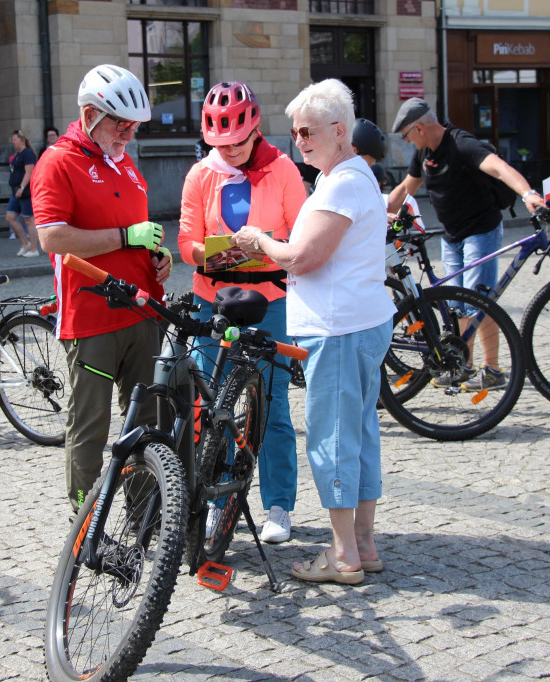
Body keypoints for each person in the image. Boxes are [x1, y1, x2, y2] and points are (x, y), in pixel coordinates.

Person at [231, 79, 394, 585]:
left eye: (307, 131)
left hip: (340, 328)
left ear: (340, 131)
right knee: (360, 433)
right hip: (359, 321)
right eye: (294, 132)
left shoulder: (342, 181)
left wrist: (261, 239)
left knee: (333, 438)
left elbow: (303, 256)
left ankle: (343, 554)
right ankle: (362, 543)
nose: (297, 140)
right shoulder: (349, 176)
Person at [31, 64, 173, 511]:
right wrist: (126, 238)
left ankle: (145, 514)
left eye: (134, 125)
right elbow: (52, 237)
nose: (129, 133)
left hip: (142, 312)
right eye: (120, 122)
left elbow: (135, 230)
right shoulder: (58, 162)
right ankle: (86, 523)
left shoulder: (125, 163)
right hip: (91, 316)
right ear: (90, 114)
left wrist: (155, 257)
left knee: (147, 421)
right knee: (89, 425)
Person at [177, 80, 306, 544]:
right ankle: (216, 500)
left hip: (270, 301)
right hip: (213, 300)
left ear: (254, 131)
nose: (227, 151)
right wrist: (220, 255)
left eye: (236, 142)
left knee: (270, 407)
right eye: (219, 143)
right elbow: (186, 244)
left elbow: (301, 239)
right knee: (211, 406)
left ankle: (278, 505)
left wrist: (265, 247)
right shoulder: (200, 175)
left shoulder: (284, 170)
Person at [386, 97, 546, 391]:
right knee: (457, 304)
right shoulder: (424, 154)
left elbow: (499, 168)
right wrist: (378, 212)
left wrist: (529, 194)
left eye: (407, 135)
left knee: (478, 299)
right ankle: (464, 365)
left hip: (480, 231)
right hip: (452, 235)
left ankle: (494, 371)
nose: (408, 142)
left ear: (420, 128)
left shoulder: (462, 144)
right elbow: (407, 187)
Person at [6, 130, 40, 257]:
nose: (13, 142)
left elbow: (29, 172)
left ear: (22, 140)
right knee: (10, 217)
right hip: (15, 191)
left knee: (29, 220)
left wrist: (21, 187)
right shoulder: (18, 154)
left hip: (25, 192)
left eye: (15, 139)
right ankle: (25, 243)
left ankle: (33, 248)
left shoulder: (28, 153)